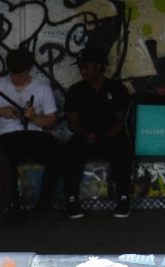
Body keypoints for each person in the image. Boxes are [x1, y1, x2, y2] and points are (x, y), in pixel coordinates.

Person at [0, 48, 62, 225]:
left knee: (58, 154)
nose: (15, 79)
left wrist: (35, 117)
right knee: (7, 158)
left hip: (33, 134)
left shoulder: (41, 88)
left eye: (20, 75)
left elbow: (51, 121)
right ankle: (12, 206)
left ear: (29, 70)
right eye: (13, 74)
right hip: (5, 136)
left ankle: (44, 204)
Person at [63, 47, 133, 219]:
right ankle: (71, 200)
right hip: (84, 137)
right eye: (81, 68)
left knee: (123, 149)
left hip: (111, 136)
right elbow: (72, 120)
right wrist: (84, 134)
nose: (83, 71)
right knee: (71, 152)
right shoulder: (75, 90)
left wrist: (107, 136)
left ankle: (124, 198)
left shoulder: (117, 89)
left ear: (99, 66)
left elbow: (121, 120)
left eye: (87, 67)